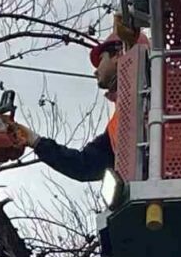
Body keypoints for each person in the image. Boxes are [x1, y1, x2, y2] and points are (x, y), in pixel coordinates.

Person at [10, 32, 132, 182]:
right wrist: (34, 140)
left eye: (101, 60)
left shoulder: (161, 91)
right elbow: (85, 165)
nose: (96, 71)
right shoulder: (117, 124)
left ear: (119, 54)